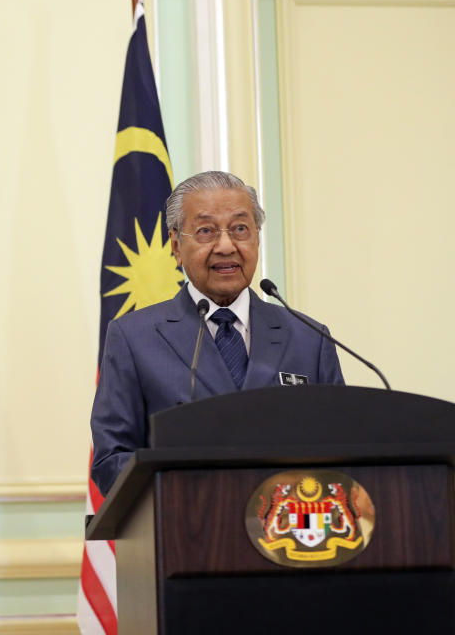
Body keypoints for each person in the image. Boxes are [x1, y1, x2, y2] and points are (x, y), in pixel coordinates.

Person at [90, 171, 343, 494]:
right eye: (206, 231)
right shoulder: (134, 338)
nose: (226, 246)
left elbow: (340, 454)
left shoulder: (309, 338)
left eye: (240, 229)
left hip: (287, 534)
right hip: (187, 531)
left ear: (257, 238)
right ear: (176, 245)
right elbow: (111, 462)